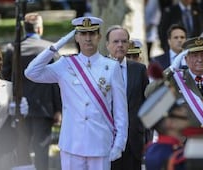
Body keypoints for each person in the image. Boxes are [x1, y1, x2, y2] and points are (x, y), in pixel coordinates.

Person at [25, 16, 128, 170]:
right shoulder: (65, 64)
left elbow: (121, 110)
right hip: (72, 143)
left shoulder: (111, 67)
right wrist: (57, 46)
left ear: (99, 37)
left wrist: (119, 143)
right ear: (77, 37)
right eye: (83, 34)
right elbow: (31, 72)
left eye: (92, 33)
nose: (88, 38)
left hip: (99, 143)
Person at [145, 37, 203, 136]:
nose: (200, 59)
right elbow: (149, 92)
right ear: (185, 59)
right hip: (185, 142)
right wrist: (171, 69)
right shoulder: (175, 79)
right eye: (195, 56)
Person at [15, 13, 62, 170]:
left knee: (22, 148)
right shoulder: (50, 50)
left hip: (19, 105)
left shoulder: (13, 49)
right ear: (40, 28)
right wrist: (58, 109)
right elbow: (57, 82)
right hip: (44, 105)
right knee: (41, 149)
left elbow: (9, 80)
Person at [105, 25, 149, 170]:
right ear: (107, 45)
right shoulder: (99, 68)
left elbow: (146, 105)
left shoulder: (139, 69)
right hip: (106, 140)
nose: (120, 45)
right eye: (116, 41)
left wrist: (147, 138)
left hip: (133, 141)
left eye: (124, 41)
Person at [138, 85, 189, 170]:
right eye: (179, 110)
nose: (185, 111)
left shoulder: (152, 149)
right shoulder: (178, 157)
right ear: (170, 123)